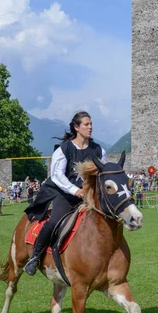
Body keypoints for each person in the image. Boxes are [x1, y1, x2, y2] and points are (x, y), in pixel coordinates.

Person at [23, 111, 107, 276]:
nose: (90, 127)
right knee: (54, 221)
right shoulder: (64, 149)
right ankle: (35, 258)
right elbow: (57, 176)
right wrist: (75, 190)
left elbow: (105, 172)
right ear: (76, 127)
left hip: (91, 198)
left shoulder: (99, 150)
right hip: (66, 196)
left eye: (91, 124)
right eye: (86, 124)